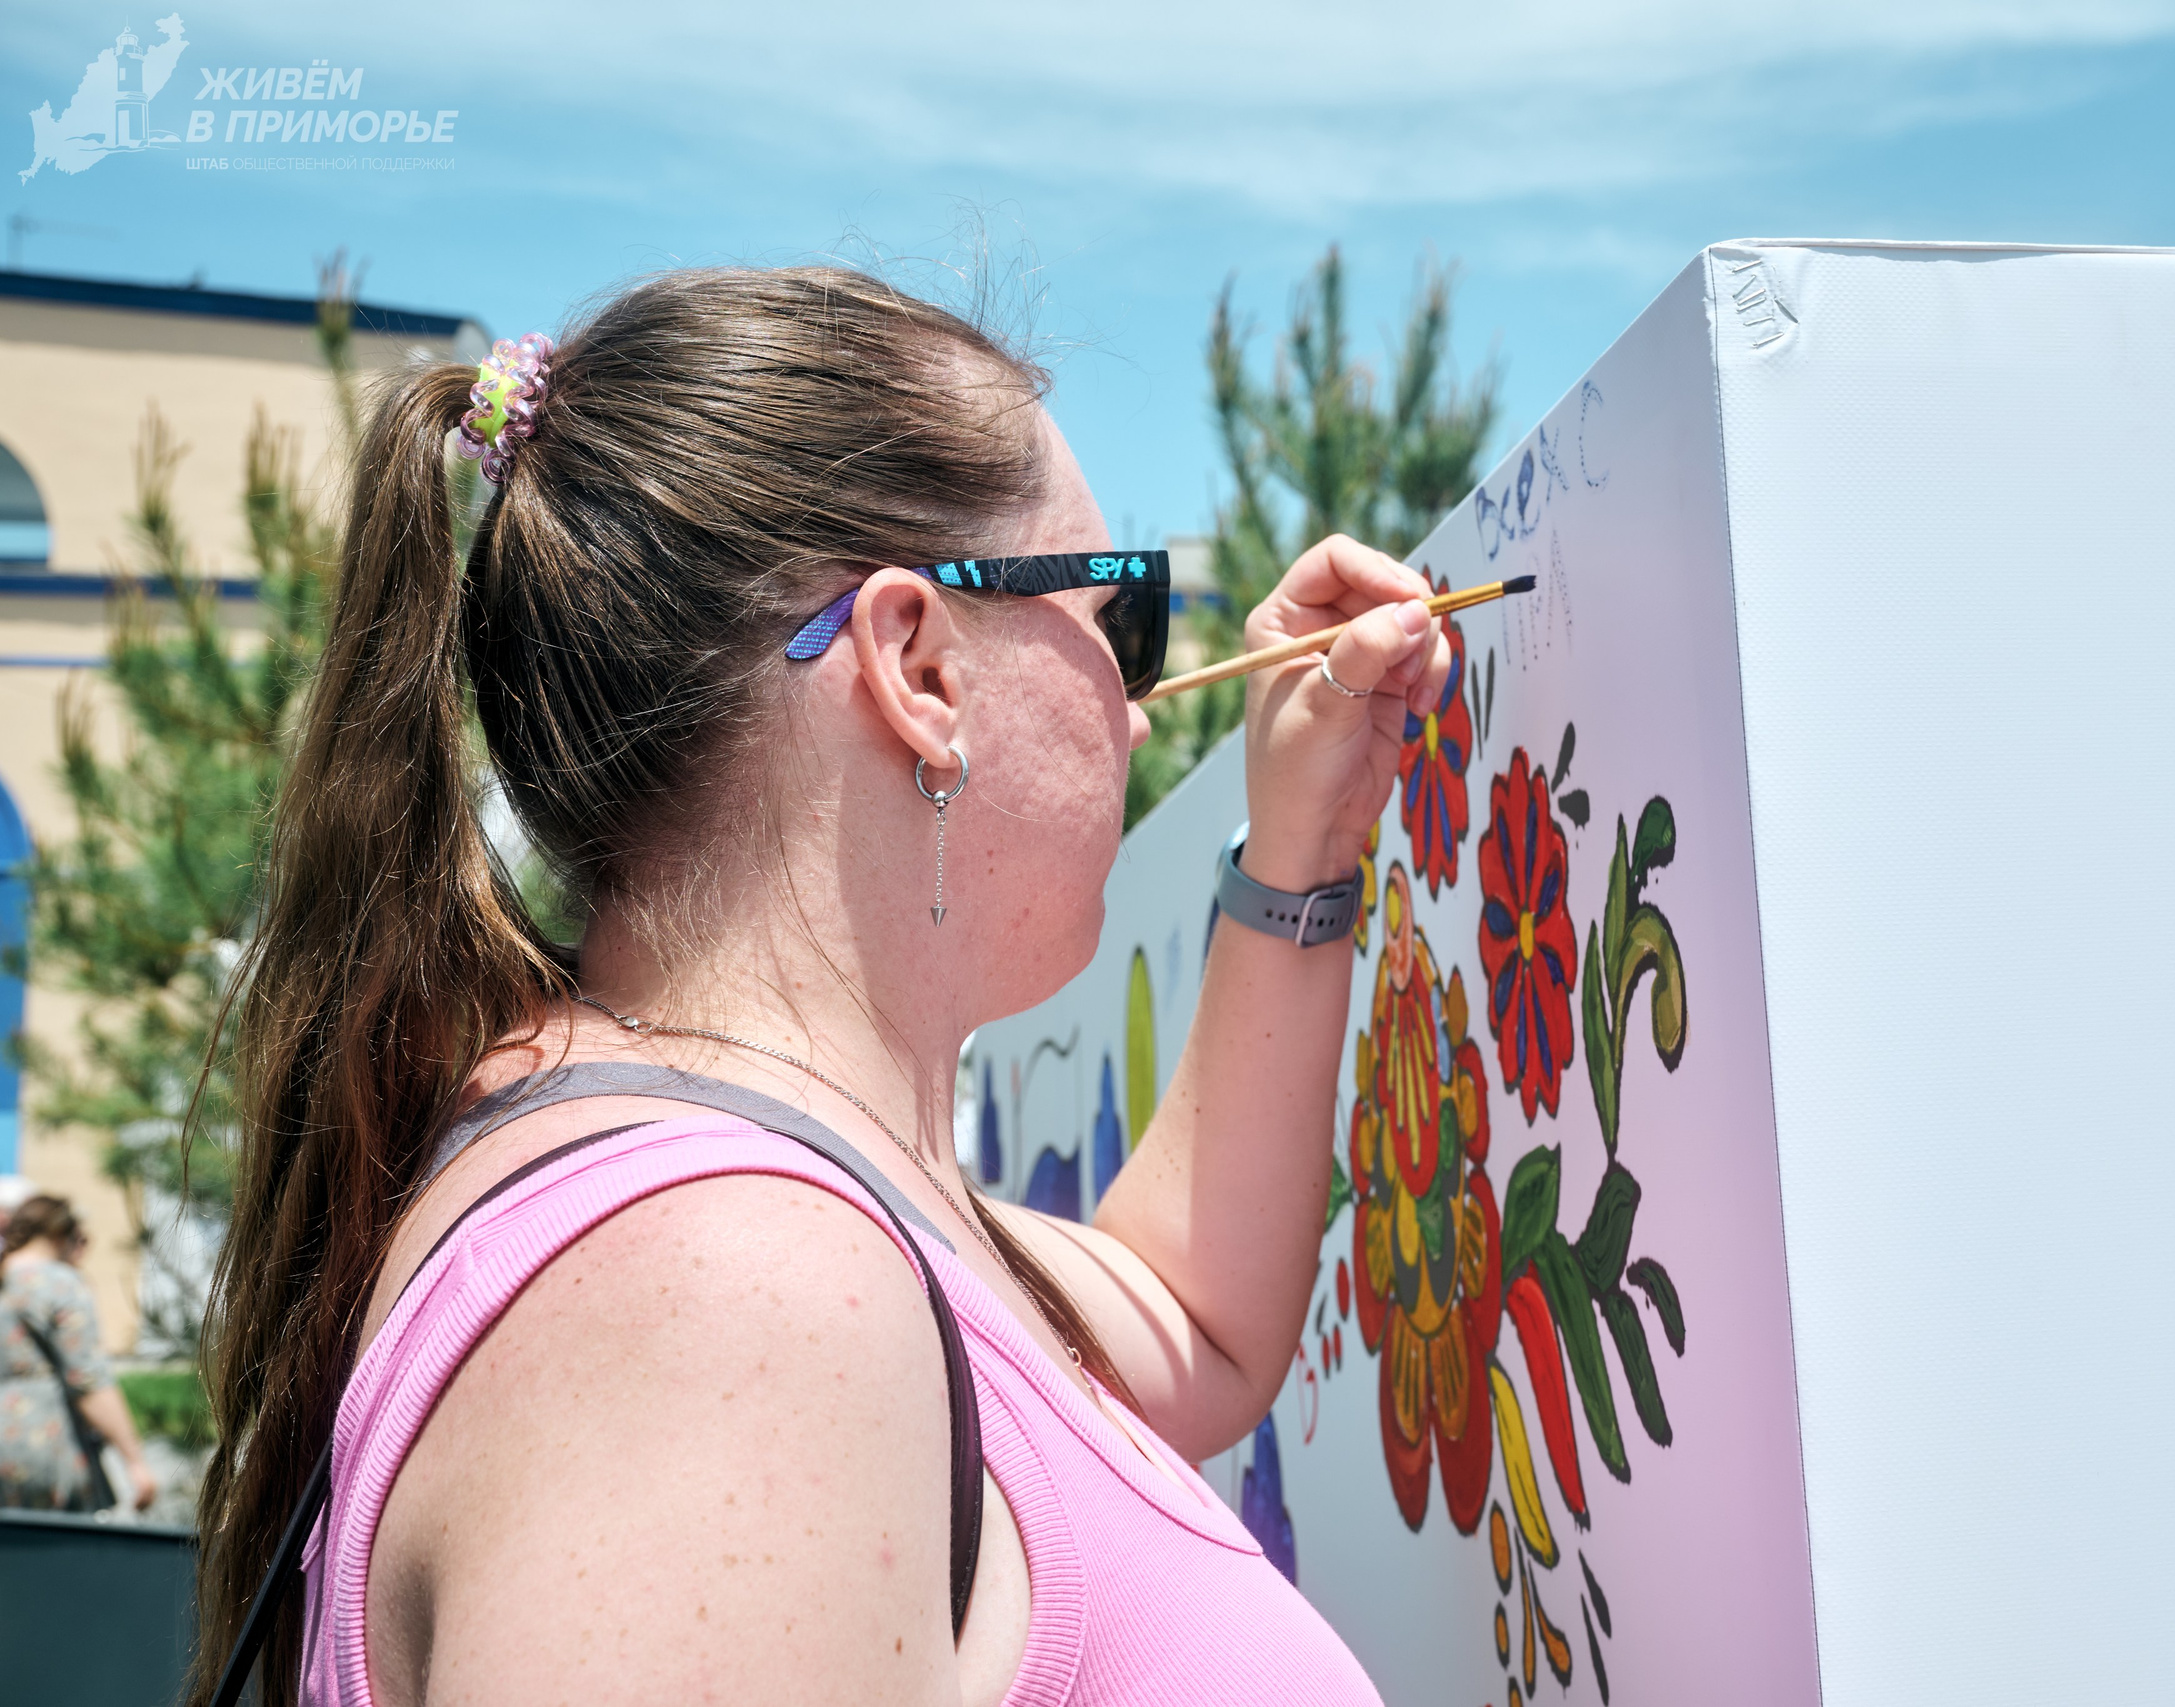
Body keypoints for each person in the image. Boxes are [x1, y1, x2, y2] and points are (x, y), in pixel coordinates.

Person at [193, 267, 1449, 1706]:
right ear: (919, 662)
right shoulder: (725, 1294)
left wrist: (1299, 843)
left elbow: (1187, 1316)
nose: (1142, 698)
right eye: (1123, 622)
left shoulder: (701, 1194)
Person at [2, 1194, 158, 1513]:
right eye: (81, 1238)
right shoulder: (60, 1283)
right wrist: (136, 1463)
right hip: (43, 1448)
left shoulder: (7, 1280)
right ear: (62, 1234)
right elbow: (87, 1379)